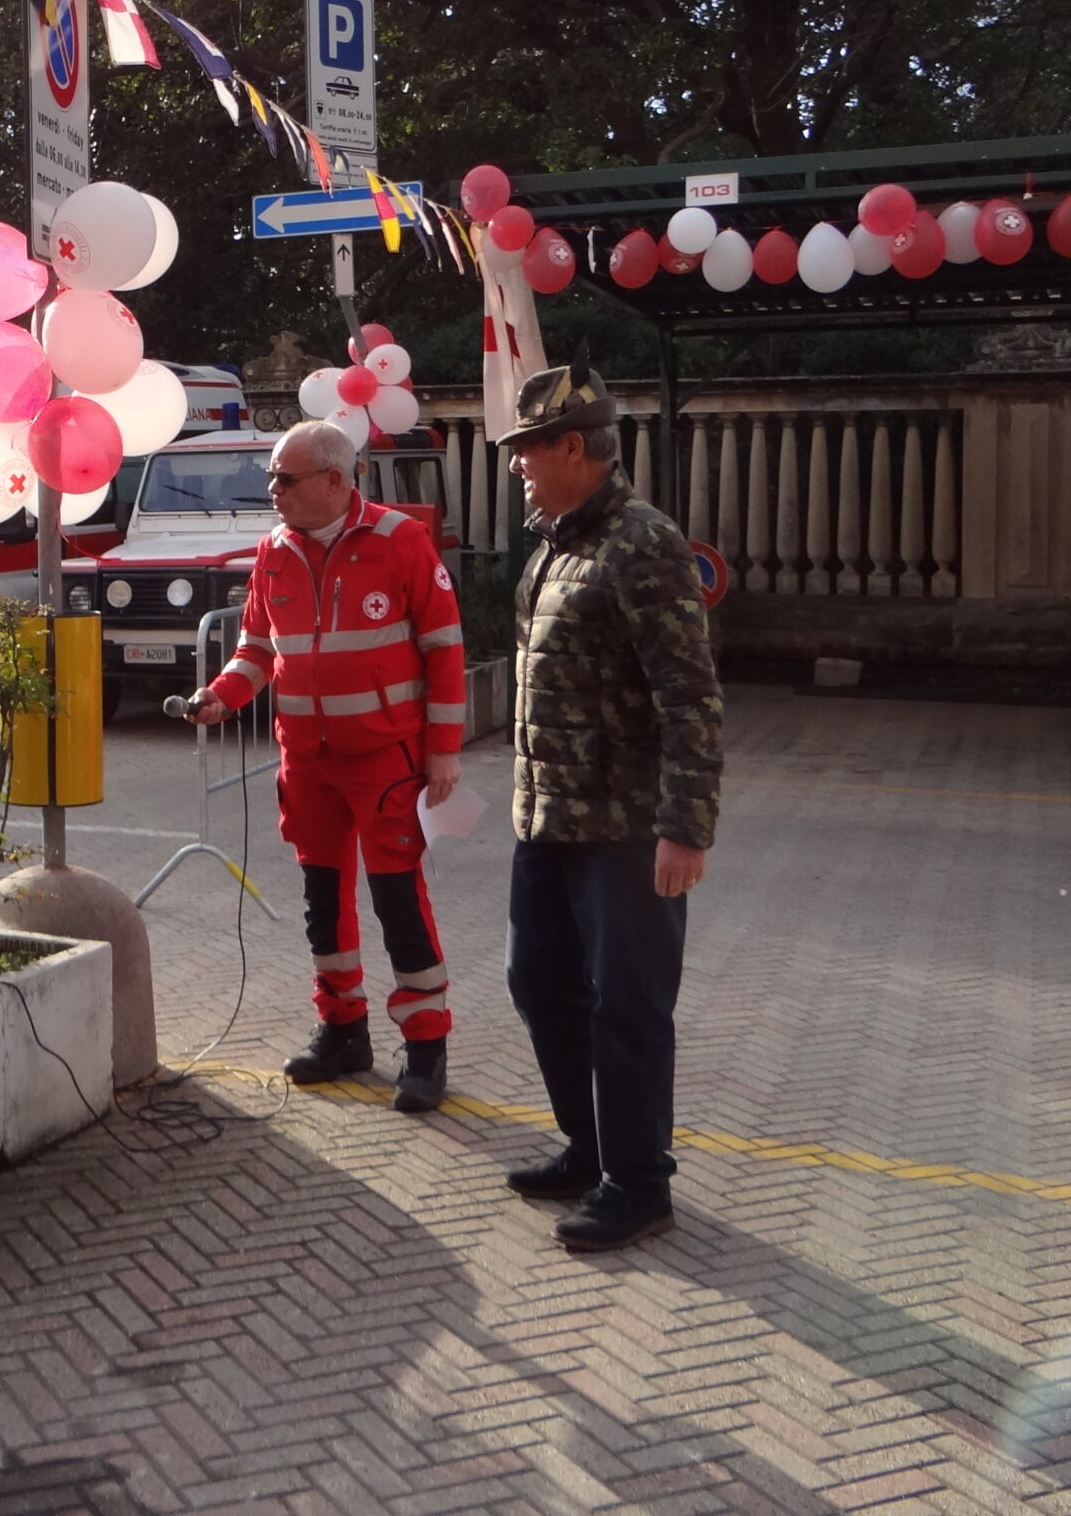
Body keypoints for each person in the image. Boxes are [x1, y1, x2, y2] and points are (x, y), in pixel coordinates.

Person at [496, 351, 722, 1252]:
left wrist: (685, 828)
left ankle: (639, 1182)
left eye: (531, 446)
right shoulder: (556, 540)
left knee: (627, 1005)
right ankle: (587, 1149)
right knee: (537, 982)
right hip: (548, 821)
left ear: (579, 449)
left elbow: (689, 694)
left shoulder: (642, 543)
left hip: (627, 831)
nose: (517, 461)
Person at [185, 418, 469, 1113]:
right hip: (306, 760)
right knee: (322, 899)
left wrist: (443, 753)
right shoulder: (272, 553)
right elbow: (256, 650)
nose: (272, 490)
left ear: (337, 482)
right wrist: (220, 697)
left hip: (386, 759)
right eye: (273, 479)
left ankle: (425, 1045)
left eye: (285, 478)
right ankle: (343, 1030)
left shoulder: (401, 541)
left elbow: (445, 650)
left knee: (398, 900)